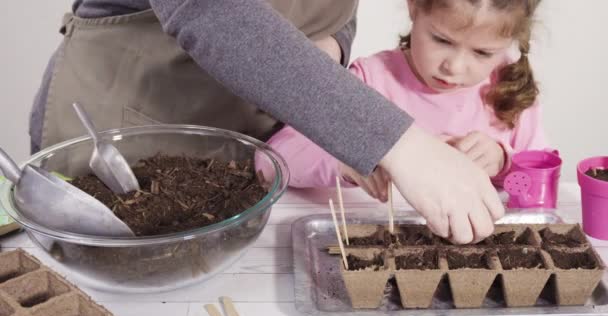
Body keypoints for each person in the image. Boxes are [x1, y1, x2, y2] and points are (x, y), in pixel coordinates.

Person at [29, 0, 503, 244]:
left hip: (244, 163)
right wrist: (401, 144)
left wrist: (329, 51)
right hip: (125, 130)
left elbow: (332, 15)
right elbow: (207, 9)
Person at [265, 0, 546, 243]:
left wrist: (504, 162)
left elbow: (542, 191)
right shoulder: (369, 81)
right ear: (414, 7)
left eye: (482, 53)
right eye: (442, 40)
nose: (454, 67)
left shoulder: (510, 90)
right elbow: (269, 162)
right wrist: (346, 160)